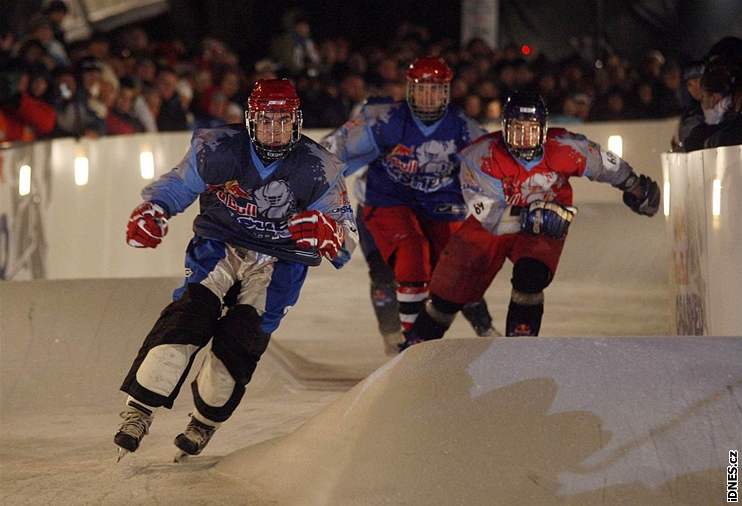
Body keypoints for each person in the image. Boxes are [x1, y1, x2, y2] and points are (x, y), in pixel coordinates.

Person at [113, 79, 357, 460]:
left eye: (282, 122)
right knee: (190, 316)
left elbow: (346, 241)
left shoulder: (319, 168)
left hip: (281, 261)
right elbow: (179, 184)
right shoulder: (218, 148)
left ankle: (205, 420)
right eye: (265, 121)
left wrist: (331, 233)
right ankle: (138, 409)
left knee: (241, 340)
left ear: (297, 123)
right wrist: (155, 207)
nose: (274, 132)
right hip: (221, 244)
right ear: (249, 121)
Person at [402, 91, 660, 346]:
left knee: (531, 277)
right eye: (517, 129)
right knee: (447, 295)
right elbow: (486, 213)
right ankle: (415, 347)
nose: (525, 138)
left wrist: (635, 187)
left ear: (544, 130)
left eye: (532, 129)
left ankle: (521, 345)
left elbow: (604, 165)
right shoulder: (480, 156)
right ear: (504, 128)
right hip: (495, 225)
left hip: (543, 223)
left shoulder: (566, 146)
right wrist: (532, 217)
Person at [322, 56, 495, 354]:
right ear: (409, 90)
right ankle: (396, 337)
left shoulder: (464, 129)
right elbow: (330, 152)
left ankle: (485, 328)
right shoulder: (383, 120)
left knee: (456, 265)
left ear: (448, 92)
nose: (428, 98)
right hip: (384, 203)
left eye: (436, 90)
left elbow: (494, 169)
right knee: (390, 268)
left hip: (438, 206)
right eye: (422, 89)